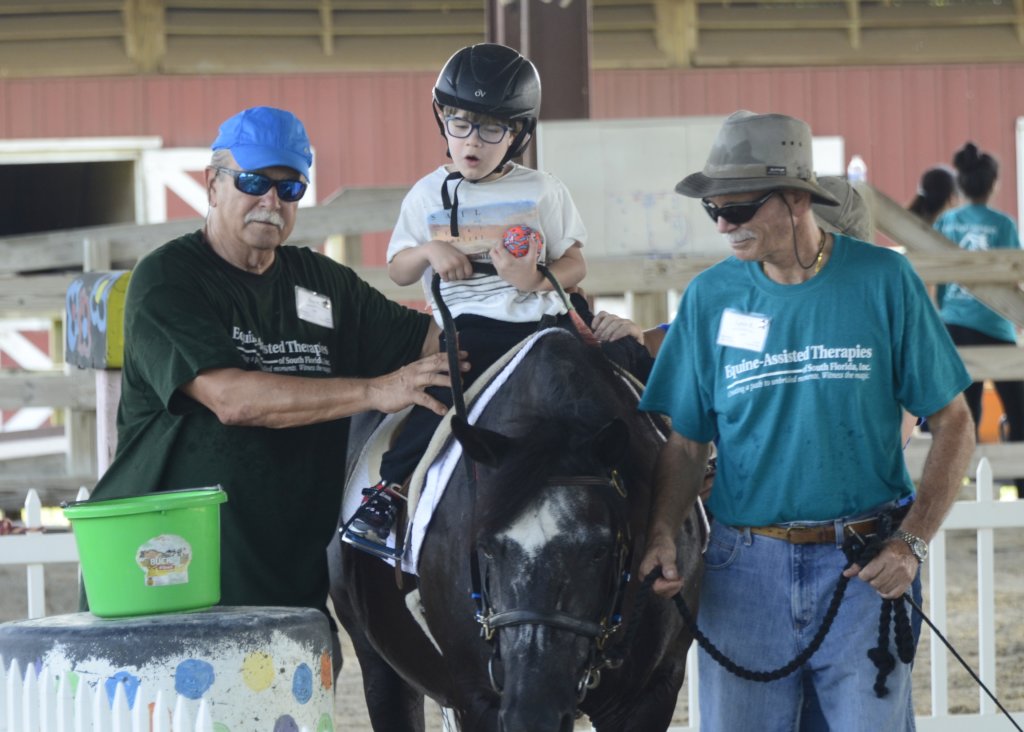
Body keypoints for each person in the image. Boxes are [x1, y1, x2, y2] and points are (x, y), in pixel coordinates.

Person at [637, 110, 975, 731]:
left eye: (738, 208)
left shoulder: (885, 280)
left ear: (796, 198)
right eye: (714, 209)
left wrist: (913, 541)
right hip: (745, 570)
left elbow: (955, 422)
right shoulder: (710, 298)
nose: (723, 224)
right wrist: (662, 528)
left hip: (865, 567)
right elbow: (686, 443)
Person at [85, 106, 463, 658]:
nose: (271, 200)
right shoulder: (167, 278)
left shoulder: (324, 283)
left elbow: (440, 342)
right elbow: (232, 399)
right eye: (254, 181)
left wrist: (555, 314)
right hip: (162, 583)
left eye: (290, 187)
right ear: (212, 187)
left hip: (289, 593)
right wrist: (376, 390)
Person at [341, 43, 587, 557]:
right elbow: (397, 269)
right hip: (473, 324)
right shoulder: (426, 195)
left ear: (518, 133)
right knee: (440, 397)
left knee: (616, 373)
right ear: (443, 120)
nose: (472, 141)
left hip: (544, 320)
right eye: (460, 122)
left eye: (491, 128)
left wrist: (536, 280)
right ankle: (390, 490)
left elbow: (575, 264)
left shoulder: (545, 191)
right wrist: (431, 250)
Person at [935, 142, 1024, 496]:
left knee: (960, 416)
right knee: (1018, 413)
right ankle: (1020, 489)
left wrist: (945, 312)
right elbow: (1012, 276)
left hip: (953, 328)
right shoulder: (1003, 224)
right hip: (995, 327)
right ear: (993, 185)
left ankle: (959, 492)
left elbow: (938, 280)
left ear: (961, 184)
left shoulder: (946, 222)